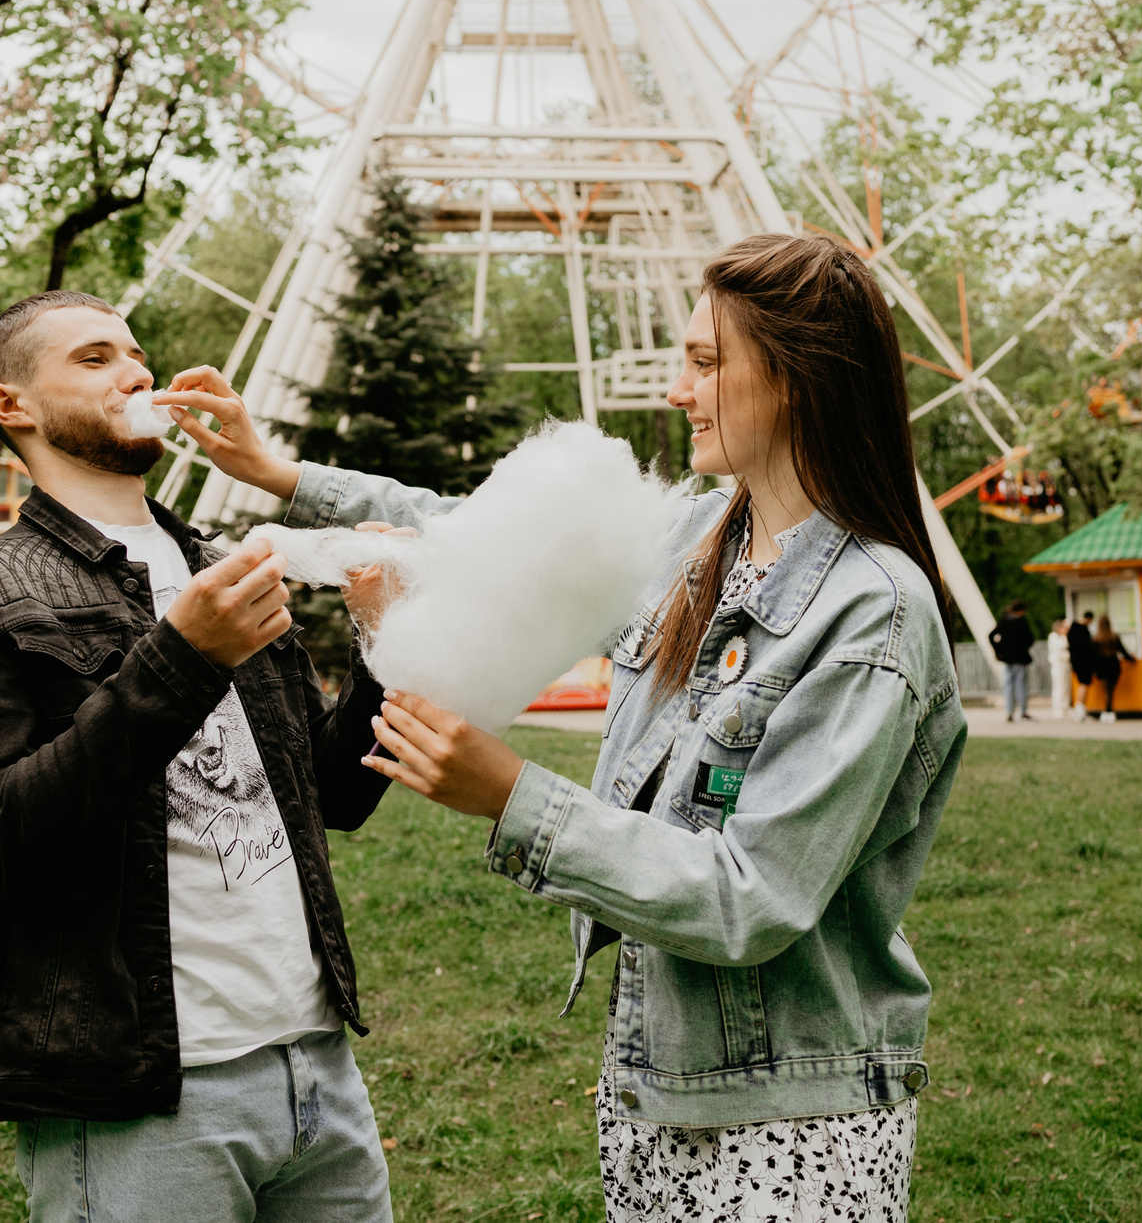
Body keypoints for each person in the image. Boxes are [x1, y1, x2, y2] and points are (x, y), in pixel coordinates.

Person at [173, 233, 966, 1223]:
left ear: (799, 380)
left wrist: (511, 797)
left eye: (706, 362)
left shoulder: (871, 612)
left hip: (791, 1123)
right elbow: (476, 531)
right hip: (656, 1088)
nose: (678, 389)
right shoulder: (695, 544)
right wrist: (285, 475)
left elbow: (749, 900)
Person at [0, 291, 397, 1223]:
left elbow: (335, 793)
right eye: (94, 359)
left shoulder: (223, 560)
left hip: (317, 1065)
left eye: (137, 354)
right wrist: (182, 659)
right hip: (142, 1094)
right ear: (12, 405)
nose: (136, 372)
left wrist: (383, 643)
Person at [989, 601, 1035, 721]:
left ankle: (1009, 712)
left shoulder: (1004, 621)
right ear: (1021, 611)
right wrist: (1022, 647)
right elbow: (1030, 639)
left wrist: (998, 650)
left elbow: (991, 636)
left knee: (1009, 686)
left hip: (1007, 658)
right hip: (1020, 658)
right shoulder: (1021, 621)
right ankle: (1023, 711)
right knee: (1021, 685)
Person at [1065, 608, 1111, 721]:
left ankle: (1081, 710)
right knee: (1084, 684)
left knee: (1083, 684)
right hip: (1083, 663)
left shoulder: (1073, 629)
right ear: (1089, 619)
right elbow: (1087, 649)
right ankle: (1080, 710)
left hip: (1076, 662)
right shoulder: (1082, 630)